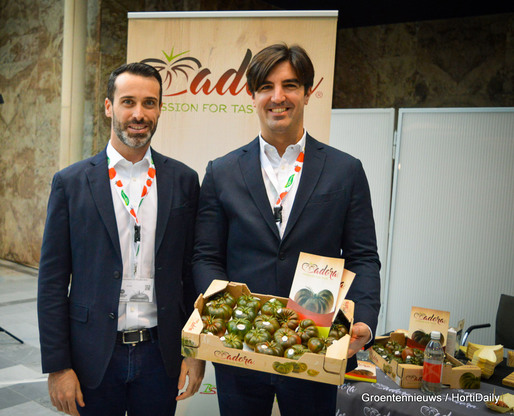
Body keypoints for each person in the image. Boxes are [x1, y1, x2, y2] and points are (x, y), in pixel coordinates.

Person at [192, 43, 381, 416]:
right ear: (252, 96)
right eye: (266, 87)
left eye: (290, 85)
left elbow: (363, 256)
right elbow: (206, 256)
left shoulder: (345, 170)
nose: (277, 97)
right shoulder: (221, 171)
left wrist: (364, 319)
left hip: (316, 344)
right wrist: (222, 316)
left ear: (307, 93)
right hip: (240, 349)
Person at [38, 62, 205, 416]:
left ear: (160, 109)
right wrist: (58, 365)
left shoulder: (184, 180)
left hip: (161, 355)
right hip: (93, 355)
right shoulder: (70, 183)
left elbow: (191, 274)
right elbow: (52, 281)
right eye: (128, 102)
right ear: (108, 107)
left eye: (149, 103)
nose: (139, 114)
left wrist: (194, 351)